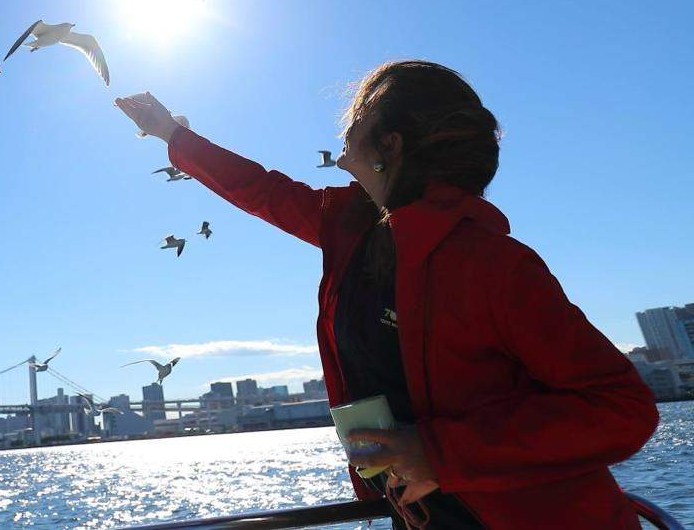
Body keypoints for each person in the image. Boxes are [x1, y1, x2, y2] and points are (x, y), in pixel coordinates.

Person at [115, 60, 658, 528]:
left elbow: (623, 410)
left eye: (355, 122)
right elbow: (261, 190)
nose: (343, 136)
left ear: (389, 146)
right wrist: (171, 134)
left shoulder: (492, 265)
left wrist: (437, 453)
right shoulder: (350, 227)